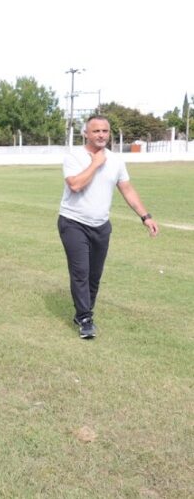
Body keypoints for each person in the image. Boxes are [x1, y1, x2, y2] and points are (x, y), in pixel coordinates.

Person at [58, 115, 159, 339]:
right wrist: (95, 163)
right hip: (73, 223)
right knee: (81, 272)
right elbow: (75, 185)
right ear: (86, 133)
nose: (101, 135)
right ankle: (85, 318)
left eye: (105, 131)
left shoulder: (115, 160)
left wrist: (145, 216)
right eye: (96, 131)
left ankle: (83, 311)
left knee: (94, 275)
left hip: (101, 225)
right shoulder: (74, 157)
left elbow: (127, 189)